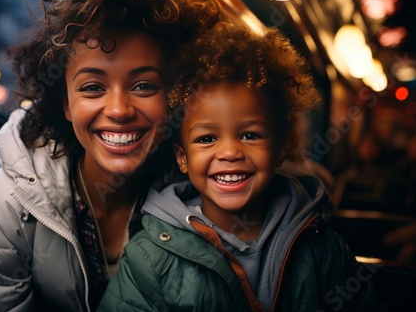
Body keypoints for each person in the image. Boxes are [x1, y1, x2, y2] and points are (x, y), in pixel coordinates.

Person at [0, 0, 222, 311]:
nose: (119, 110)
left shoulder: (207, 187)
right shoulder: (6, 204)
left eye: (143, 85)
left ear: (171, 98)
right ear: (65, 104)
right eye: (93, 87)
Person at [97, 21, 385, 311]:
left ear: (280, 148)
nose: (231, 152)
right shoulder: (149, 256)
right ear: (182, 158)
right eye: (207, 138)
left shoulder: (323, 248)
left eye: (250, 135)